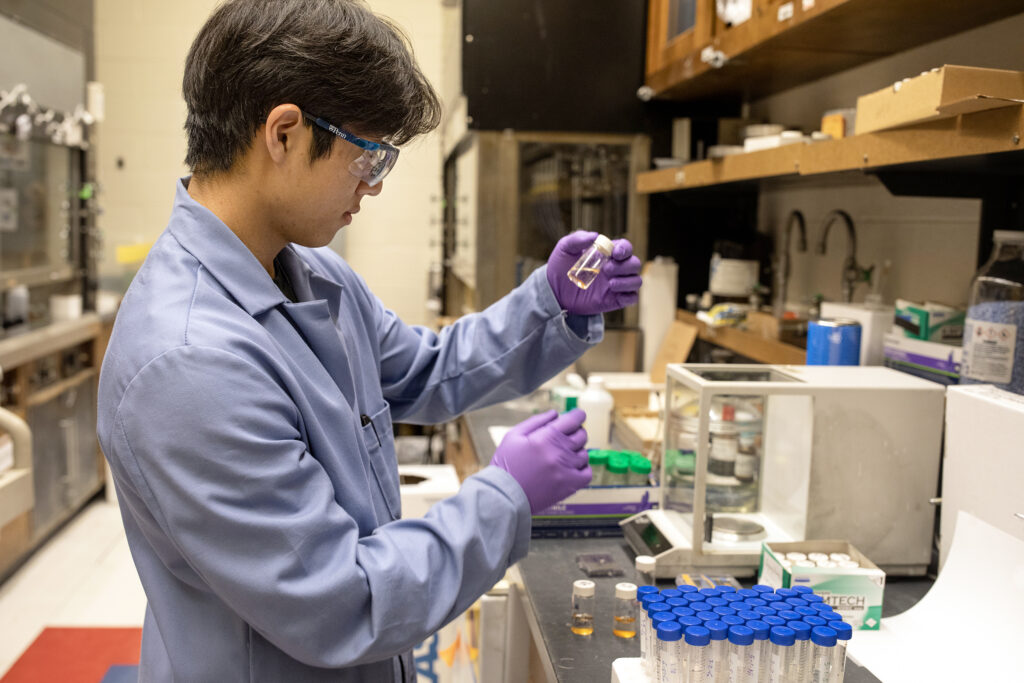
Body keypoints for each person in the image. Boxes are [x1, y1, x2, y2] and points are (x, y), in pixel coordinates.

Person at [96, 1, 643, 680]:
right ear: (285, 133)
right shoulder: (188, 362)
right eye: (370, 154)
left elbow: (428, 370)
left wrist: (549, 304)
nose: (374, 186)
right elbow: (338, 601)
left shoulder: (311, 271)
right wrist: (505, 495)